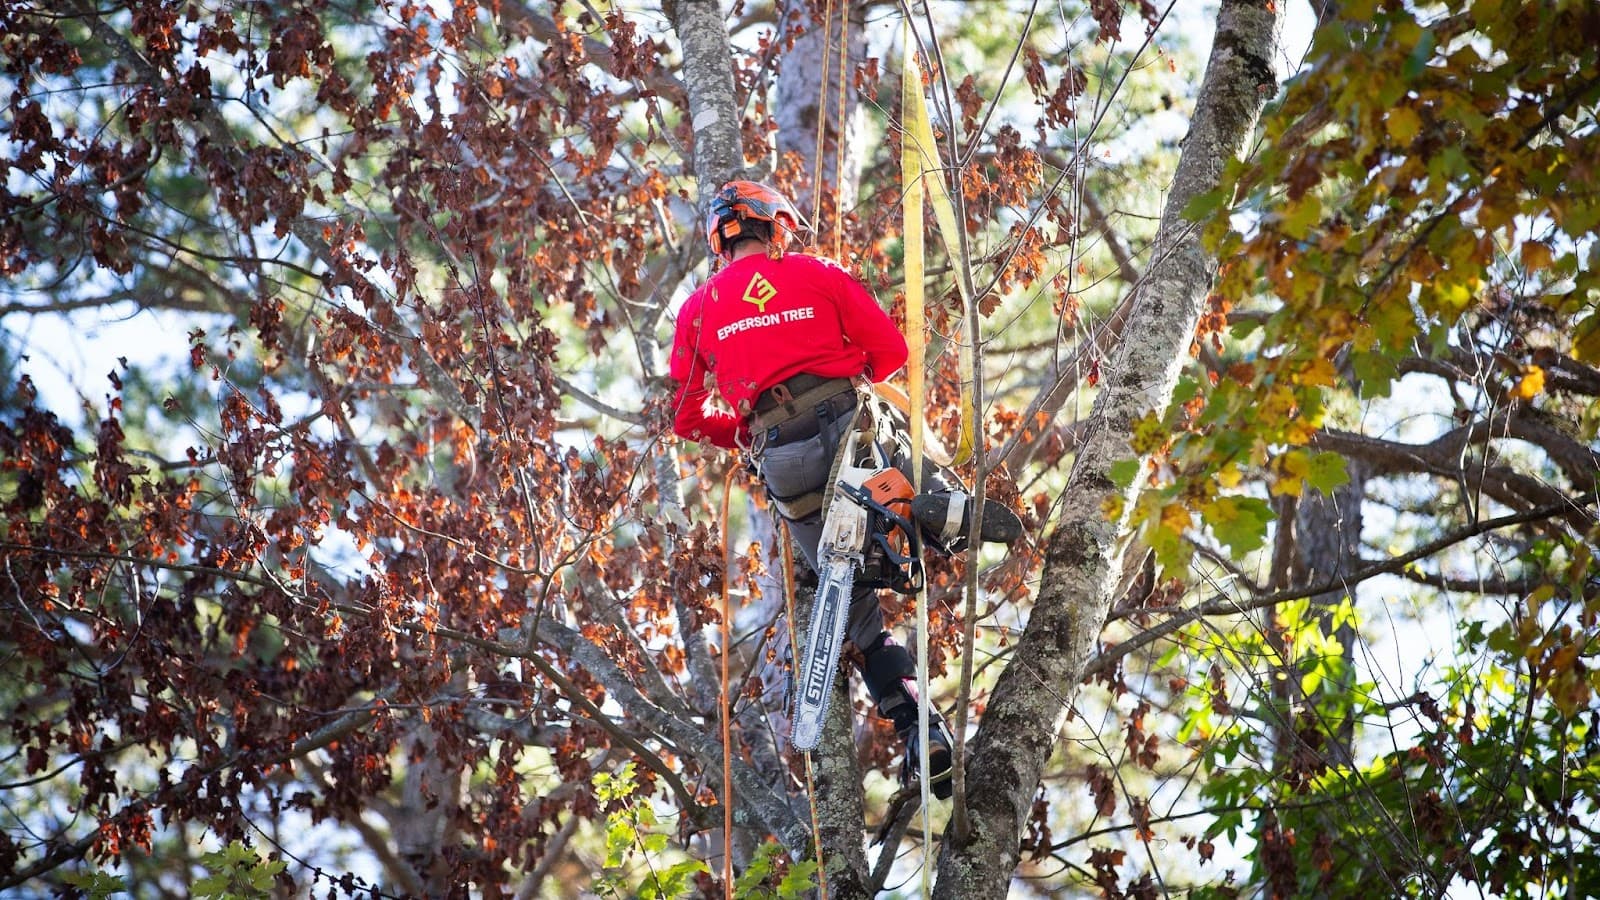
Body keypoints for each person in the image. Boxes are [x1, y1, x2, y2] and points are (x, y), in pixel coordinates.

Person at [668, 180, 1021, 799]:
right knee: (890, 427)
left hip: (783, 463)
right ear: (774, 227)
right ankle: (933, 510)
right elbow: (890, 352)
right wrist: (841, 365)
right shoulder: (817, 272)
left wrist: (745, 431)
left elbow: (687, 416)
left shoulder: (699, 308)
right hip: (846, 428)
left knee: (858, 611)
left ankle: (916, 721)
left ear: (719, 241)